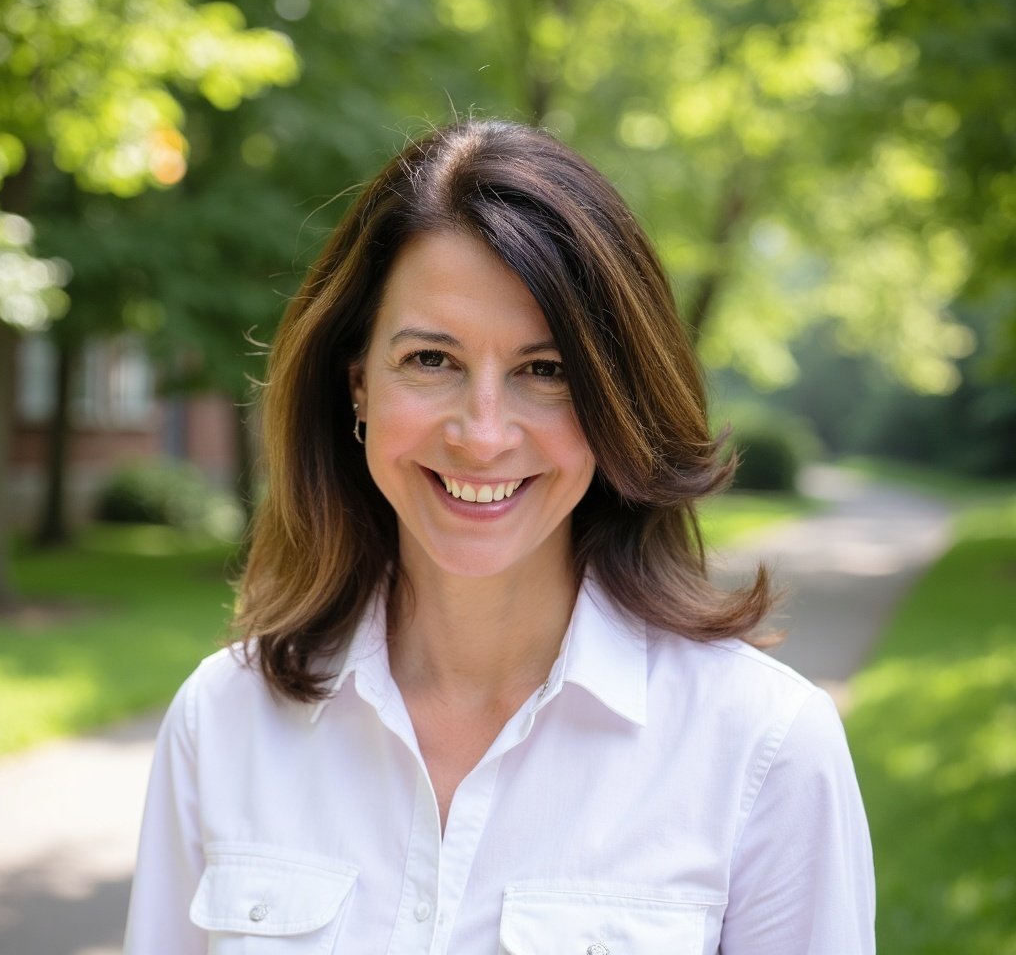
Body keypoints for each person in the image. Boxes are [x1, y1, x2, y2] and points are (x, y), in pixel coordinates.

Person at [124, 119, 875, 954]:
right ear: (357, 387)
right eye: (431, 361)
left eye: (545, 372)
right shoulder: (223, 720)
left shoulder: (763, 747)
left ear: (614, 405)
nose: (483, 436)